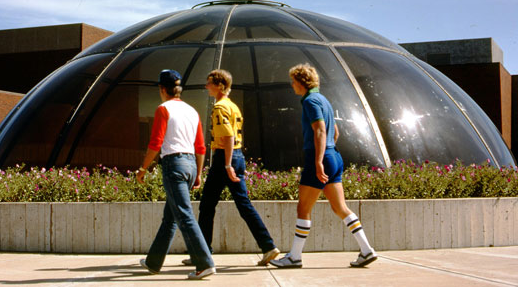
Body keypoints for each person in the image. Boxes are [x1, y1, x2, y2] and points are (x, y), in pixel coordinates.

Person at [270, 63, 377, 269]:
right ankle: (366, 250)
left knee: (303, 207)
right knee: (340, 208)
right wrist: (328, 152)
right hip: (334, 156)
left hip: (319, 158)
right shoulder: (323, 100)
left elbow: (319, 130)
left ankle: (294, 257)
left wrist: (318, 161)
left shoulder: (310, 101)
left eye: (293, 81)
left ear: (302, 82)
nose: (292, 85)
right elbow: (334, 131)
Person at [183, 69, 280, 266]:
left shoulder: (219, 107)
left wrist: (226, 164)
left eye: (209, 83)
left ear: (220, 85)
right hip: (237, 156)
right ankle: (268, 245)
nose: (206, 86)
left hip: (224, 158)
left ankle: (202, 253)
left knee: (207, 206)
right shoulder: (233, 106)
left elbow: (228, 137)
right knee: (243, 205)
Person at [136, 69, 216, 280]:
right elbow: (201, 147)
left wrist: (143, 168)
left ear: (163, 89)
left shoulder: (163, 109)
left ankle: (204, 263)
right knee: (170, 217)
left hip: (174, 165)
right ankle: (153, 262)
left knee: (184, 215)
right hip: (190, 165)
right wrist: (198, 173)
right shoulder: (192, 111)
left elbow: (156, 143)